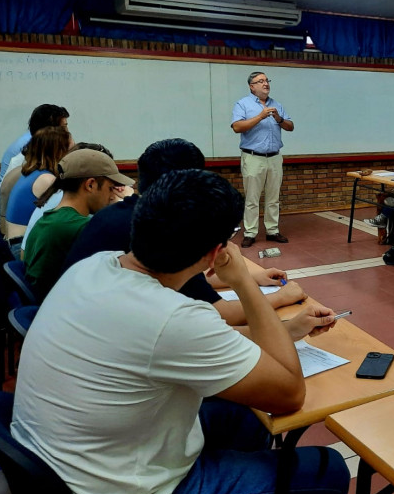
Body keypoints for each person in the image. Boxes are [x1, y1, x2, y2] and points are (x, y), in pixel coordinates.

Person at [11, 169, 349, 494]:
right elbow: (289, 395)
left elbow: (181, 346)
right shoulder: (175, 317)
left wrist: (288, 331)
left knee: (242, 418)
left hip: (60, 465)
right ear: (215, 252)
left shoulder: (94, 266)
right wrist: (244, 282)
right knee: (327, 469)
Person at [63, 138, 306, 325]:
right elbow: (220, 314)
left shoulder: (122, 214)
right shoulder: (162, 227)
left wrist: (254, 278)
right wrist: (280, 297)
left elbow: (186, 280)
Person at [23, 148, 134, 301]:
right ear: (90, 185)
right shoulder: (77, 226)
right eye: (110, 188)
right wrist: (131, 201)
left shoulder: (50, 219)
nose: (112, 196)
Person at [231, 71, 293, 248]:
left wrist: (279, 118)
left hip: (274, 157)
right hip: (253, 157)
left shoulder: (277, 105)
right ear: (252, 86)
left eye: (267, 80)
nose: (265, 84)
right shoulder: (242, 104)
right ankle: (250, 233)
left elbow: (290, 126)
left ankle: (272, 231)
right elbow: (237, 127)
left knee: (273, 198)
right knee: (252, 198)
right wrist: (260, 116)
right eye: (261, 81)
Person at [3, 126, 73, 257]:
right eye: (70, 150)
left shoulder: (31, 173)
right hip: (22, 247)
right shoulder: (47, 179)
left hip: (13, 243)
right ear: (58, 152)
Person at [0, 103, 70, 223]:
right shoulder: (28, 155)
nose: (67, 133)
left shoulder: (36, 152)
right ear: (51, 134)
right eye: (63, 128)